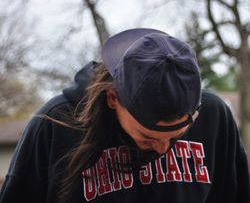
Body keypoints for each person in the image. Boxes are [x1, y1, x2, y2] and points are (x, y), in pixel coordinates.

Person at [0, 28, 249, 203]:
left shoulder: (215, 117)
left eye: (176, 138)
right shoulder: (56, 124)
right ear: (113, 98)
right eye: (147, 136)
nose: (163, 149)